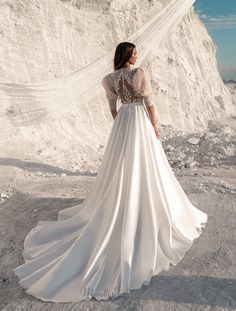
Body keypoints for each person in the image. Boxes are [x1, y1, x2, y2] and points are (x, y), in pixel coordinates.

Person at [13, 41, 208, 303]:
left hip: (124, 123)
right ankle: (143, 204)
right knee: (146, 162)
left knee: (122, 165)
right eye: (134, 52)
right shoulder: (139, 73)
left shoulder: (109, 79)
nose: (137, 55)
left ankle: (124, 197)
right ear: (127, 55)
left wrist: (121, 123)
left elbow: (112, 107)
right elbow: (149, 102)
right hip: (138, 119)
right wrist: (155, 127)